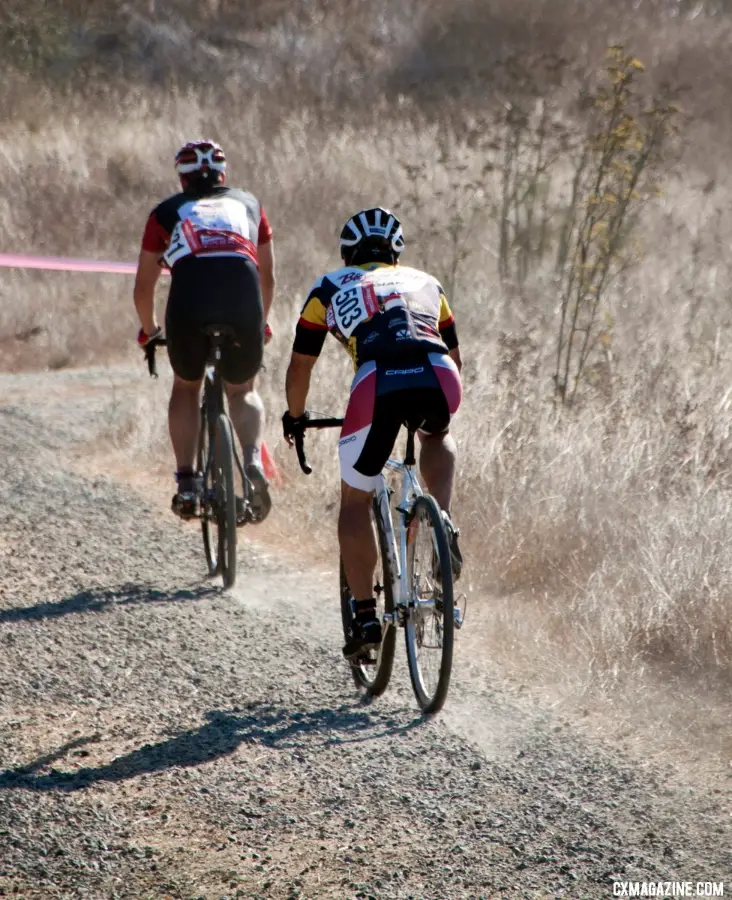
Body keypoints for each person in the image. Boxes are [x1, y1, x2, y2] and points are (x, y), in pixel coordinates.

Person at [282, 207, 463, 659]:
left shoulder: (328, 287)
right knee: (437, 436)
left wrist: (296, 415)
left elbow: (302, 363)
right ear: (396, 254)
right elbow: (456, 356)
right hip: (439, 375)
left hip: (377, 381)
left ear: (348, 254)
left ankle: (364, 614)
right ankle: (439, 520)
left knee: (355, 500)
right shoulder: (427, 282)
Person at [133, 139, 275, 522]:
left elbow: (143, 287)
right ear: (223, 174)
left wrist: (150, 331)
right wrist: (260, 324)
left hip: (189, 302)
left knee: (186, 385)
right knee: (242, 390)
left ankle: (186, 482)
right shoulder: (249, 204)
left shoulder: (166, 212)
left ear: (181, 179)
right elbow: (268, 278)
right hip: (244, 300)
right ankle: (250, 460)